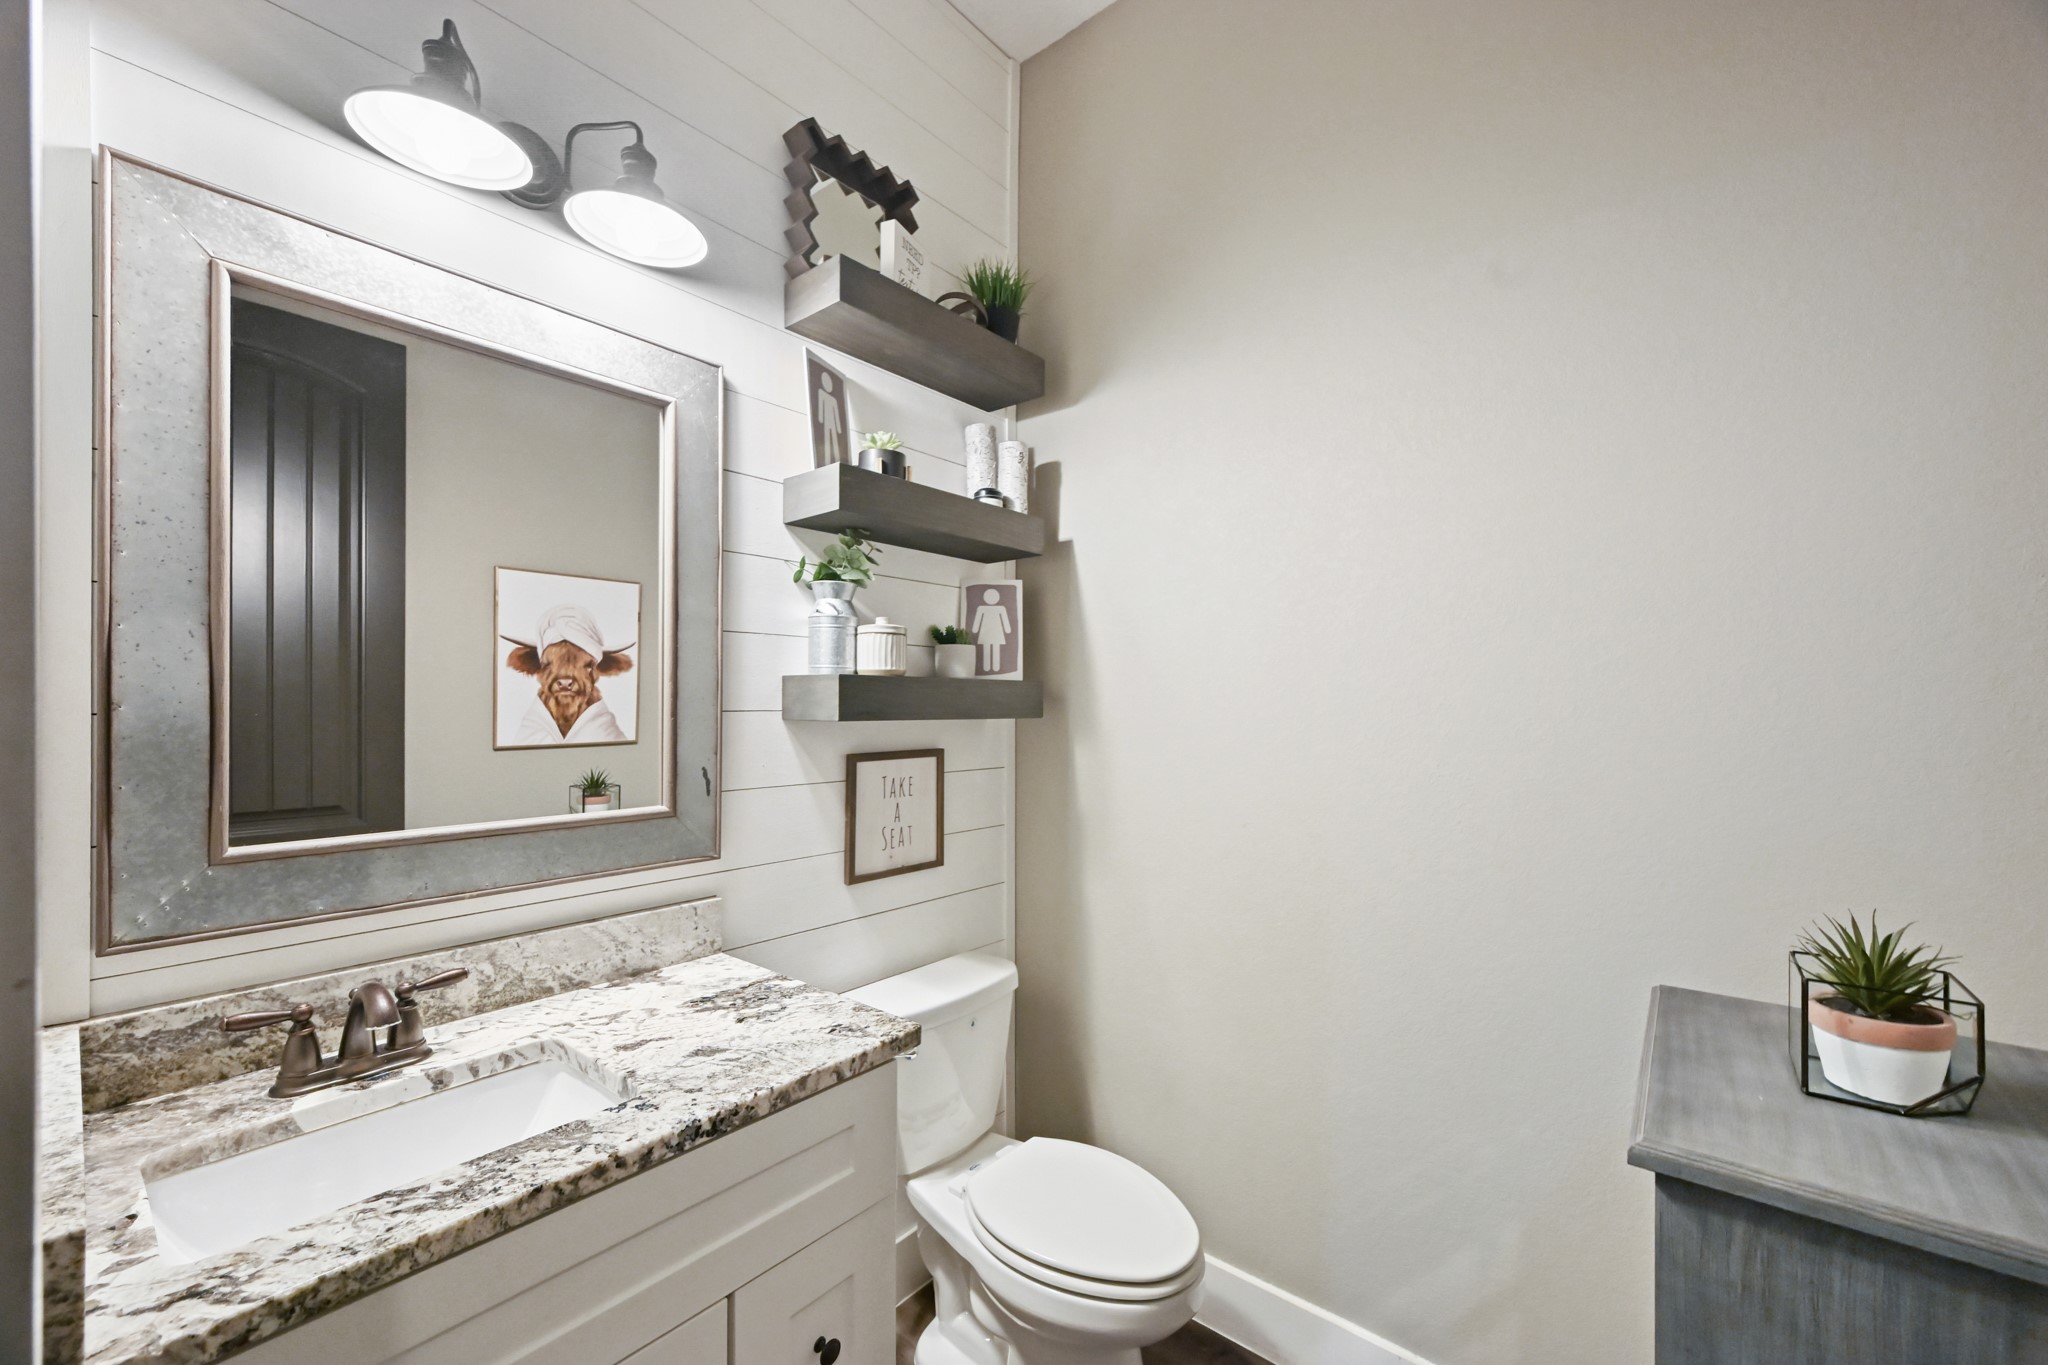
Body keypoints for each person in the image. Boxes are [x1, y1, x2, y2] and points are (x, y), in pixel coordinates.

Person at [971, 587, 1011, 673]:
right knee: (987, 647)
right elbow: (978, 619)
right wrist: (975, 629)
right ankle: (987, 667)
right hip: (987, 632)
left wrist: (1007, 629)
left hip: (996, 632)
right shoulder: (982, 608)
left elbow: (1005, 619)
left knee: (995, 648)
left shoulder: (1001, 608)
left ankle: (995, 667)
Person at [815, 370, 844, 464]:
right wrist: (820, 419)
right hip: (827, 422)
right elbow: (820, 407)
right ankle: (827, 461)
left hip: (832, 423)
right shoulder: (822, 394)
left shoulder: (833, 400)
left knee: (834, 441)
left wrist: (839, 428)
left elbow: (836, 413)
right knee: (827, 441)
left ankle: (837, 460)